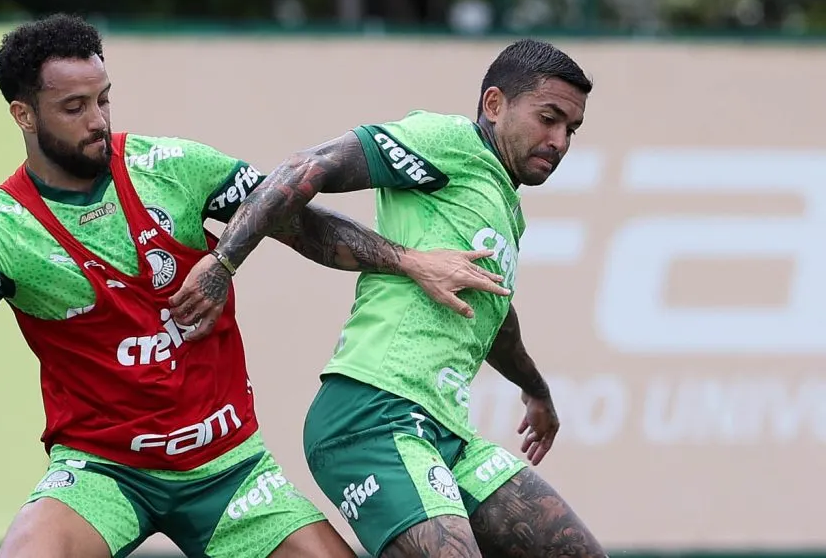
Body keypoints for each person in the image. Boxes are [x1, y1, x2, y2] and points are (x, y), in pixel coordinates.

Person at [0, 14, 512, 558]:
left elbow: (298, 223)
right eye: (74, 108)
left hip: (230, 468)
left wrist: (406, 260)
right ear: (23, 115)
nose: (98, 121)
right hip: (104, 471)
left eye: (104, 99)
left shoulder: (170, 165)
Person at [170, 39, 608, 557]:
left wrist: (536, 391)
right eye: (549, 118)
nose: (558, 141)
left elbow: (494, 315)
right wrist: (224, 262)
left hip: (445, 429)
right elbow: (304, 167)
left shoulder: (504, 206)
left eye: (570, 130)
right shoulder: (447, 141)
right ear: (494, 105)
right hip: (374, 415)